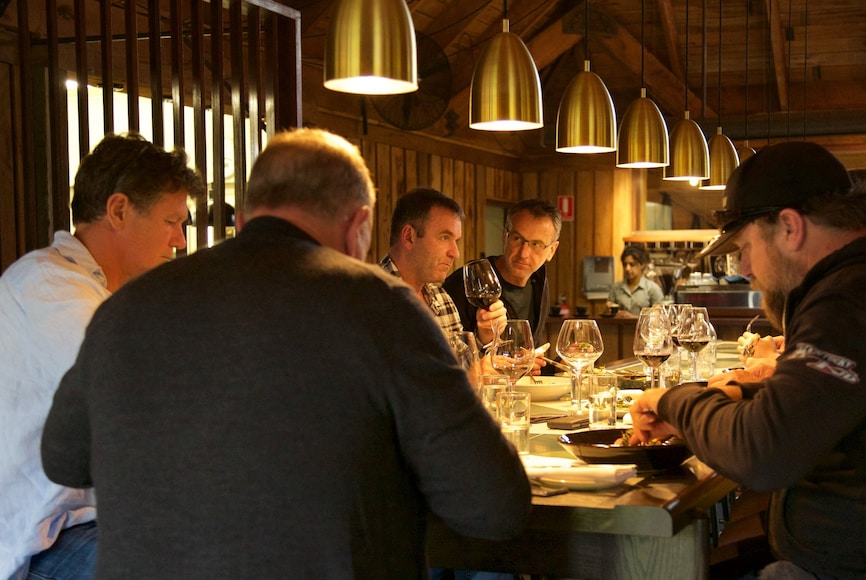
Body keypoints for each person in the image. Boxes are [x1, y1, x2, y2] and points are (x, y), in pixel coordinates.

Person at [40, 128, 531, 579]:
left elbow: (64, 459)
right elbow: (495, 504)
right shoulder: (382, 307)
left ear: (246, 214)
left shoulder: (129, 304)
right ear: (359, 224)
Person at [630, 142, 866, 578]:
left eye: (746, 245)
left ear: (791, 227)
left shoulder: (855, 299)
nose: (744, 267)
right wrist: (740, 391)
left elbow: (761, 455)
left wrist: (671, 401)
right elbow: (848, 395)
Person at [0, 132, 203, 580]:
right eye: (173, 221)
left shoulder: (101, 295)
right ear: (118, 210)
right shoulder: (49, 289)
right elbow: (140, 412)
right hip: (48, 537)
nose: (181, 241)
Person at [379, 187, 504, 346]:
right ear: (409, 237)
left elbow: (460, 364)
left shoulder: (441, 297)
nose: (455, 253)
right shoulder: (368, 299)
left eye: (455, 241)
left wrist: (484, 338)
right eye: (444, 237)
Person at [444, 198, 560, 348]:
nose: (523, 253)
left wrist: (558, 364)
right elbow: (447, 360)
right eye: (517, 239)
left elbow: (525, 352)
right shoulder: (466, 283)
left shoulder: (539, 279)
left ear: (551, 250)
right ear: (504, 236)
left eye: (536, 244)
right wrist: (483, 338)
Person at [606, 245, 664, 316]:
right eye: (625, 264)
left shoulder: (652, 288)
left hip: (642, 327)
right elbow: (609, 314)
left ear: (642, 265)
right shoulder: (616, 288)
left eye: (632, 264)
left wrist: (632, 317)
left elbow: (659, 317)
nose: (627, 268)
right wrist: (609, 309)